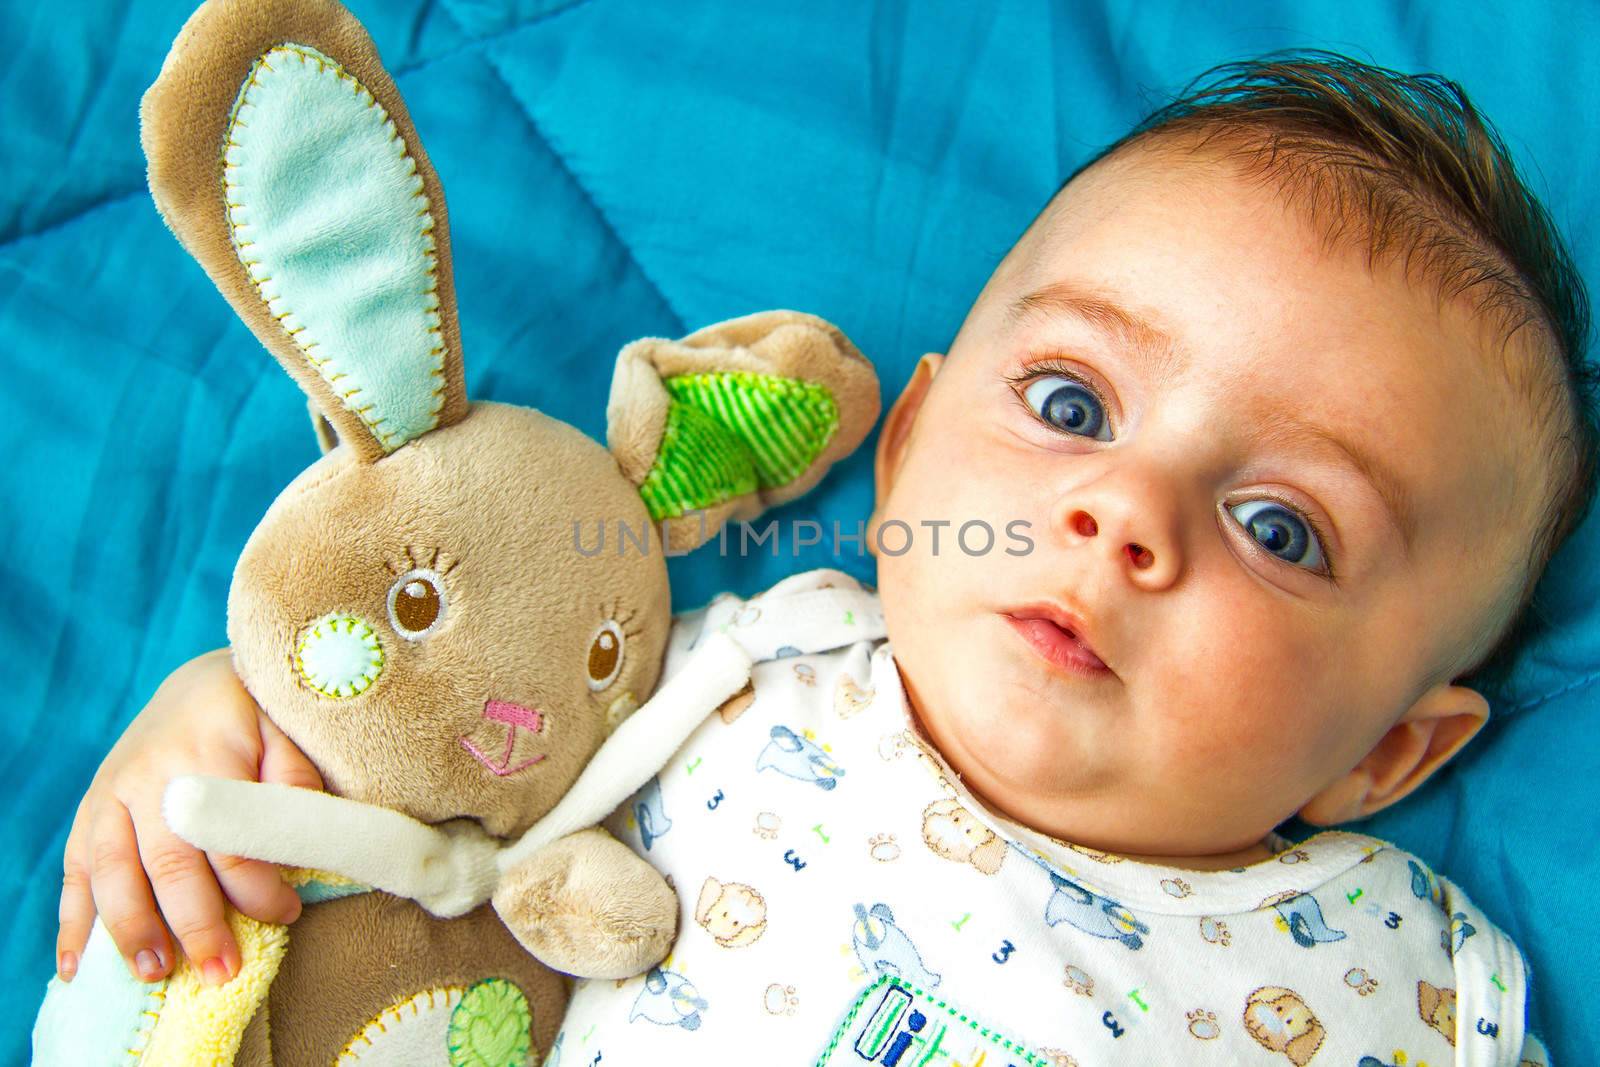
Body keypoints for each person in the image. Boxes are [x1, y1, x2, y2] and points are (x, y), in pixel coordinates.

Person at [54, 53, 1594, 1061]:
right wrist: (233, 729)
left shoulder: (1411, 988)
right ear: (909, 454)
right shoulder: (729, 673)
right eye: (1071, 405)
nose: (1126, 516)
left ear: (1390, 752)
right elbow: (439, 742)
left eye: (1282, 529)